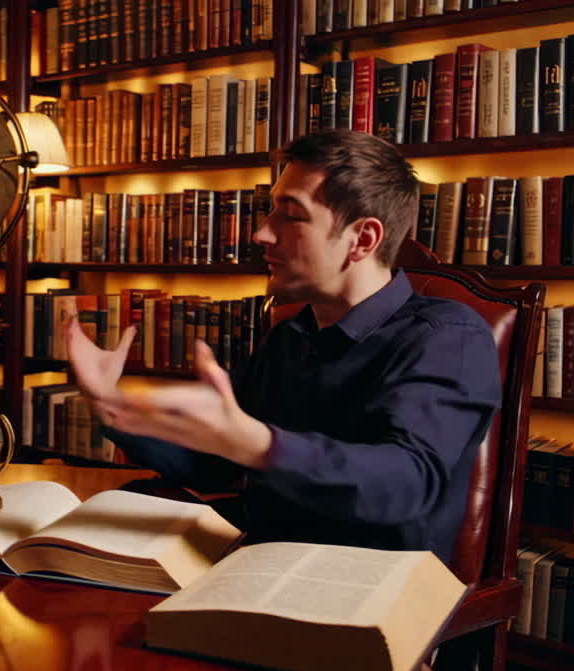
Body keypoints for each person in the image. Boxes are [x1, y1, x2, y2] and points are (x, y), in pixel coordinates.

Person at [67, 129, 501, 563]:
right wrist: (110, 404)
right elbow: (213, 461)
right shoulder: (292, 335)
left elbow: (405, 484)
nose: (262, 235)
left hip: (367, 588)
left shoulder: (448, 337)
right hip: (253, 561)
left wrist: (259, 444)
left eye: (290, 216)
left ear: (363, 240)